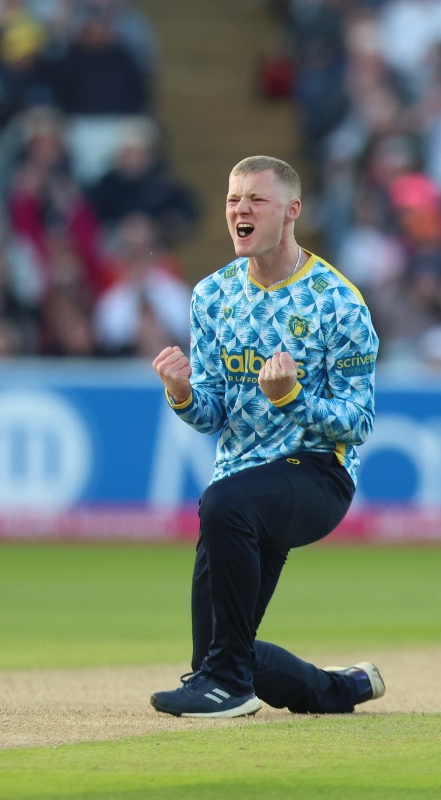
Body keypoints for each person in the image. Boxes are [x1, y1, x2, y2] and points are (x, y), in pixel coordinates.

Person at [150, 155, 382, 717]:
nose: (241, 210)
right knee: (217, 653)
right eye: (233, 200)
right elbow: (213, 413)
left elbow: (359, 422)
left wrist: (292, 398)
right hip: (242, 480)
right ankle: (343, 688)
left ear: (291, 211)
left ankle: (229, 688)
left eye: (256, 199)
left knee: (222, 504)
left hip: (318, 473)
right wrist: (181, 393)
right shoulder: (212, 295)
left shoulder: (336, 300)